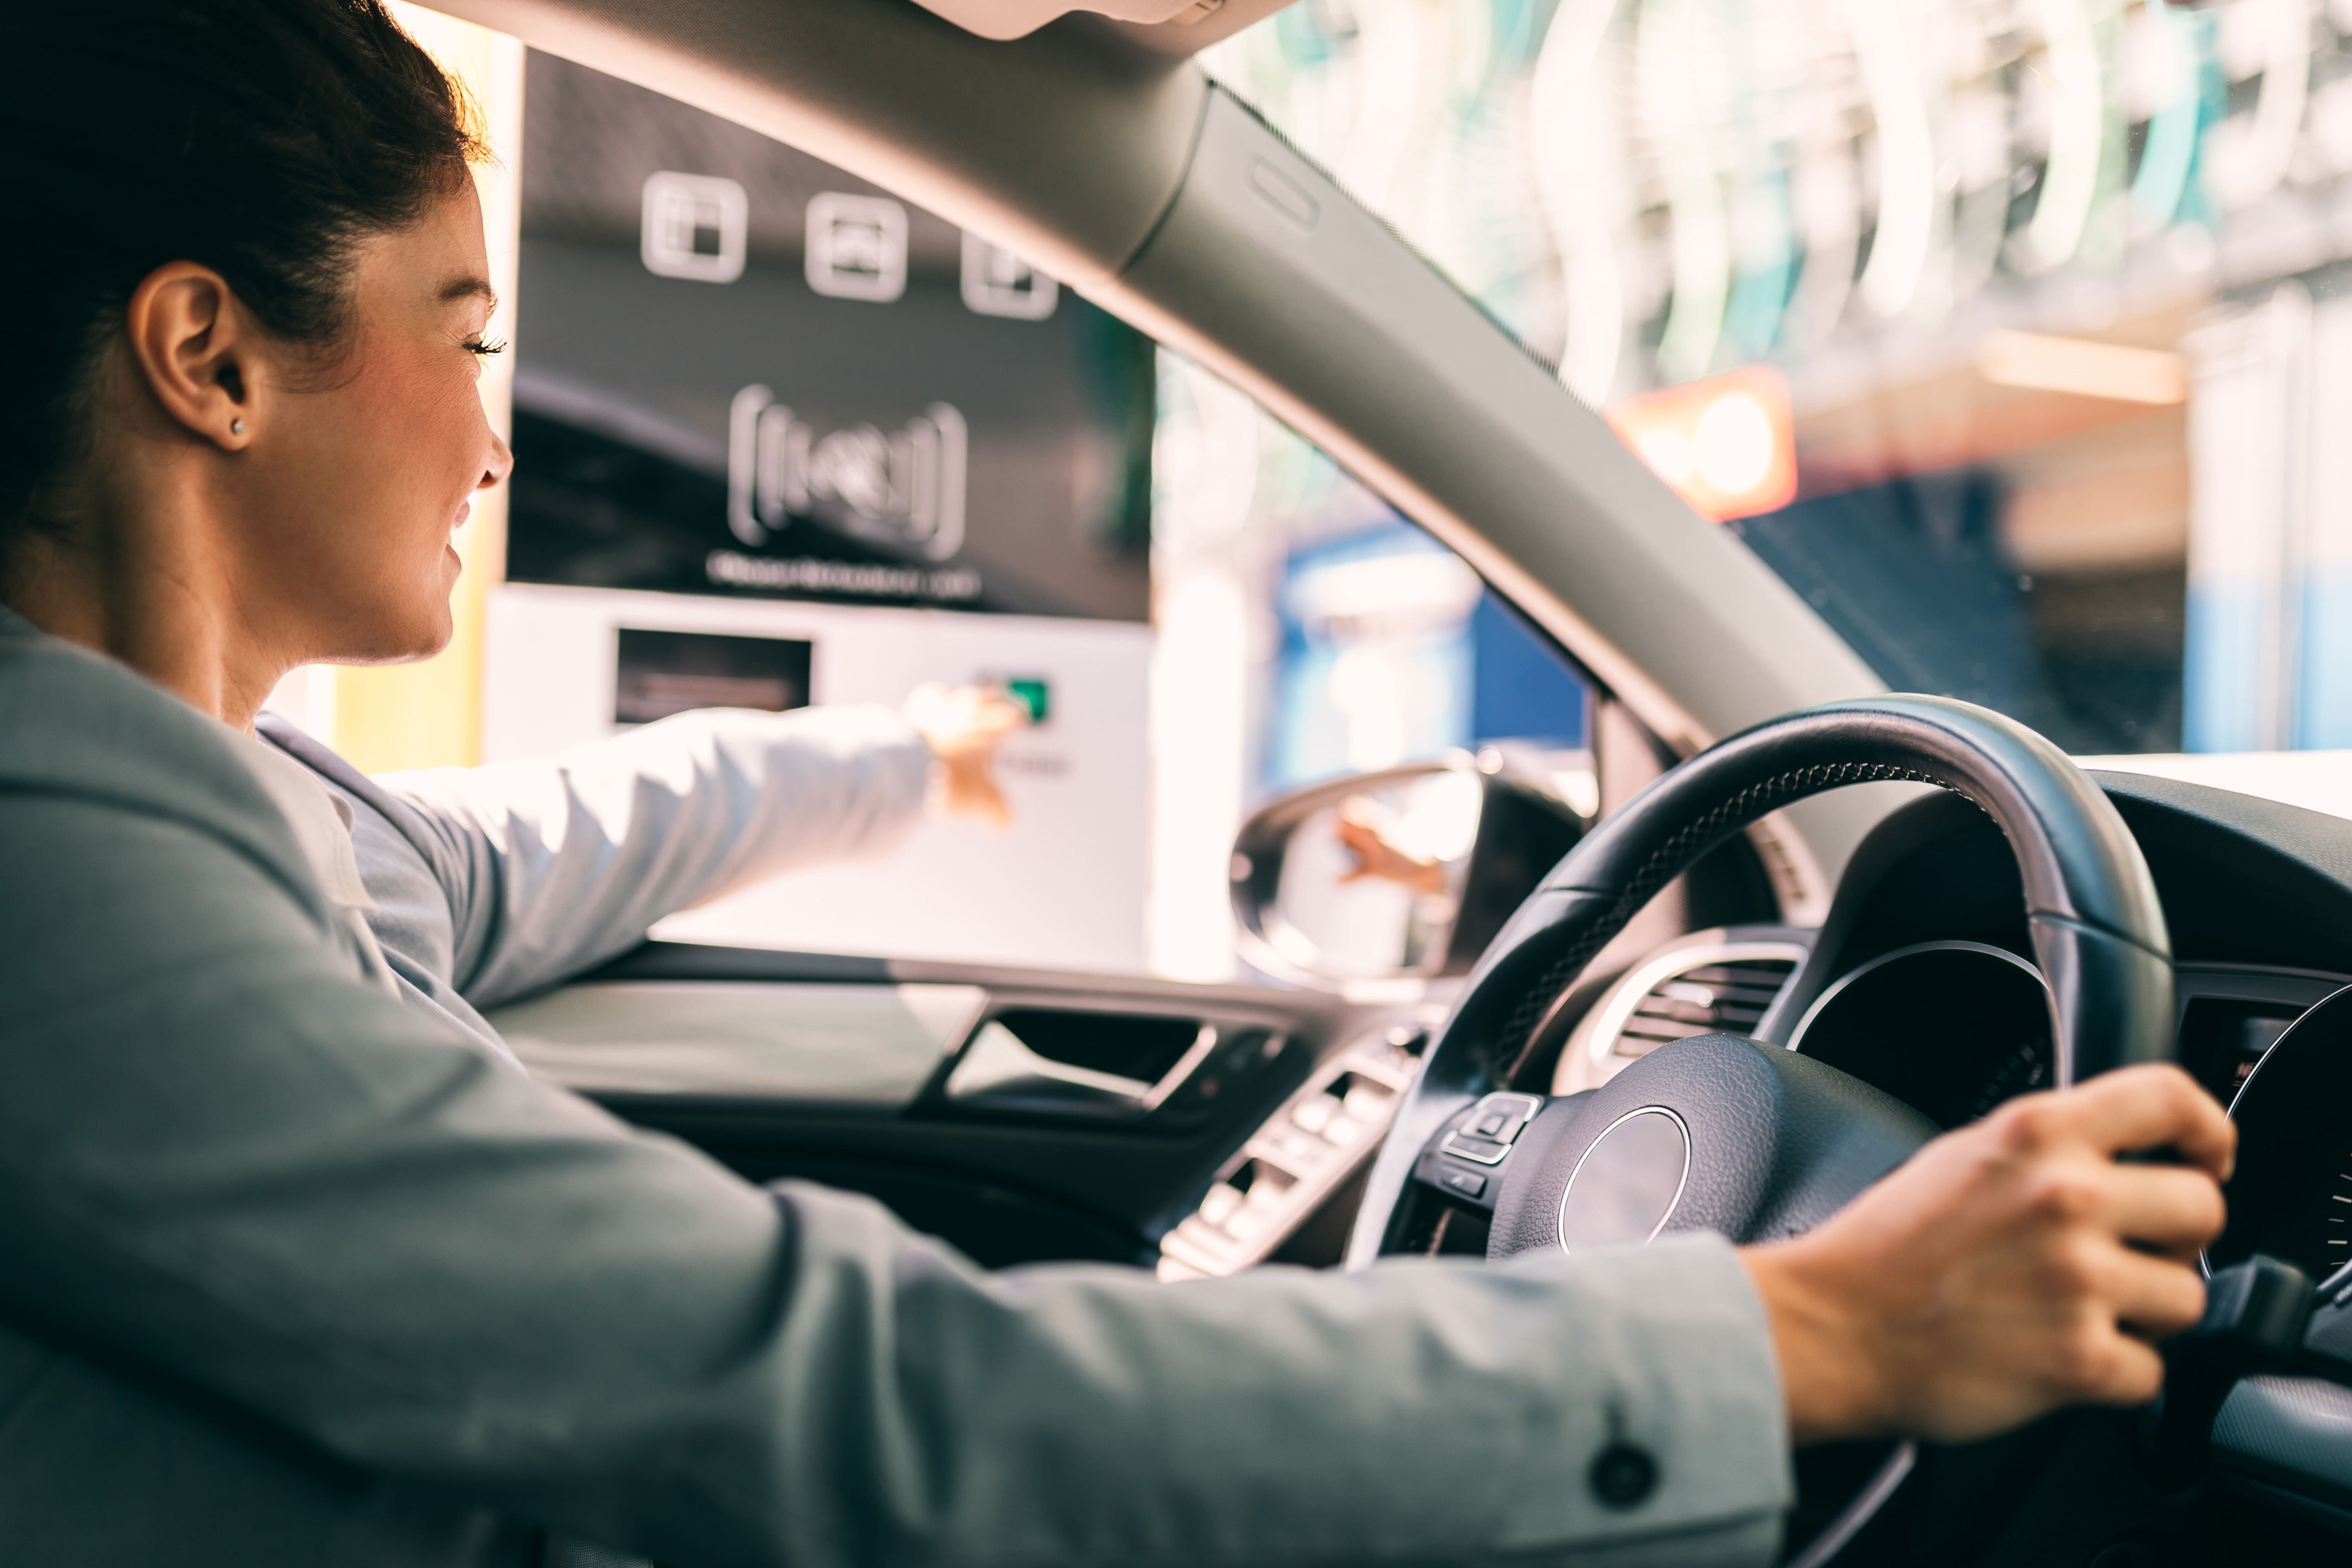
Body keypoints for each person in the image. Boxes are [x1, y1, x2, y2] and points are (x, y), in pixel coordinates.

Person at [0, 3, 2233, 1566]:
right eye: (468, 332)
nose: (495, 431)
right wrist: (1811, 1328)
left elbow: (582, 840)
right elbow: (834, 1403)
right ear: (211, 357)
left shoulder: (265, 816)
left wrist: (905, 759)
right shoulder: (56, 881)